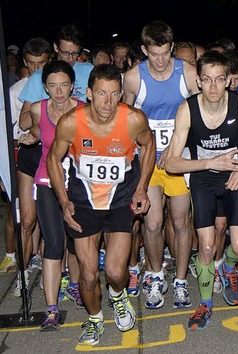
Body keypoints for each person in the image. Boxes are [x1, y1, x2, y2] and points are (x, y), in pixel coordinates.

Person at [47, 64, 155, 346]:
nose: (108, 102)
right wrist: (63, 200)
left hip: (120, 201)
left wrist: (142, 187)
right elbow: (53, 159)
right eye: (102, 93)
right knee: (89, 273)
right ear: (89, 94)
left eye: (114, 94)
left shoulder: (133, 119)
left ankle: (118, 296)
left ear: (121, 93)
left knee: (117, 273)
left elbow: (149, 145)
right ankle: (94, 318)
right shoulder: (71, 122)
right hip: (83, 202)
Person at [164, 50, 238, 329]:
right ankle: (204, 306)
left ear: (230, 80)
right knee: (206, 247)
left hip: (234, 176)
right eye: (207, 80)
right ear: (198, 81)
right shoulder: (187, 109)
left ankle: (228, 267)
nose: (214, 87)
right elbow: (172, 161)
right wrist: (210, 162)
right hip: (203, 179)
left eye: (220, 79)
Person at [123, 21, 199, 309]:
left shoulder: (187, 73)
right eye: (154, 54)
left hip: (179, 159)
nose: (160, 60)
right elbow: (126, 116)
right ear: (144, 50)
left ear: (172, 49)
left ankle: (180, 281)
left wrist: (176, 146)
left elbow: (199, 113)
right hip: (148, 161)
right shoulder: (133, 77)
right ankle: (155, 276)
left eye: (165, 53)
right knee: (152, 222)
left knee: (180, 222)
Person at [19, 61, 83, 330]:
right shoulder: (37, 109)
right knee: (53, 243)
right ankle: (51, 309)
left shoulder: (84, 110)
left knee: (78, 243)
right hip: (47, 180)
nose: (59, 91)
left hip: (79, 182)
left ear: (72, 85)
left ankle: (76, 285)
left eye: (64, 85)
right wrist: (32, 137)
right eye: (52, 86)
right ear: (44, 87)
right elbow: (37, 130)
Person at [1, 37, 51, 276]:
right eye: (31, 64)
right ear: (24, 62)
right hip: (25, 156)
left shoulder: (57, 84)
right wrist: (4, 169)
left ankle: (44, 259)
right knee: (23, 216)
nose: (35, 69)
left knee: (49, 214)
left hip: (51, 154)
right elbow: (5, 131)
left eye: (40, 63)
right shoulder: (17, 91)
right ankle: (19, 265)